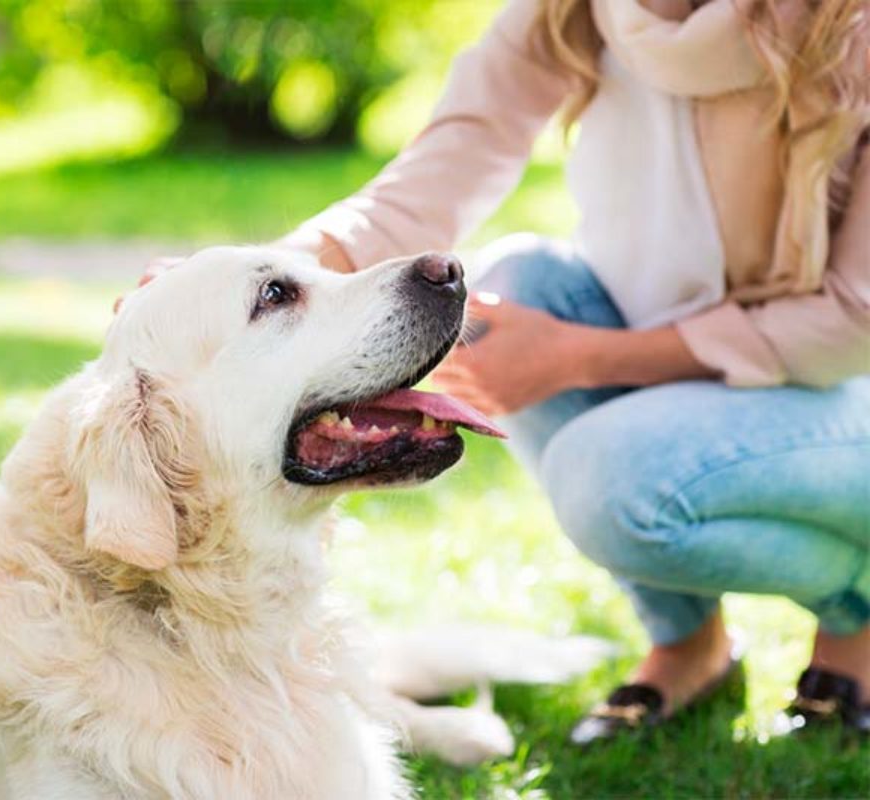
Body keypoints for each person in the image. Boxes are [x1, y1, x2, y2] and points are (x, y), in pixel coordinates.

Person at [260, 0, 869, 741]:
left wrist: (580, 357)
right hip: (684, 361)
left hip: (838, 390)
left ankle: (856, 613)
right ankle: (688, 643)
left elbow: (852, 319)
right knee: (515, 288)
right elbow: (451, 158)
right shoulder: (579, 10)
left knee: (608, 477)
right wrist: (270, 269)